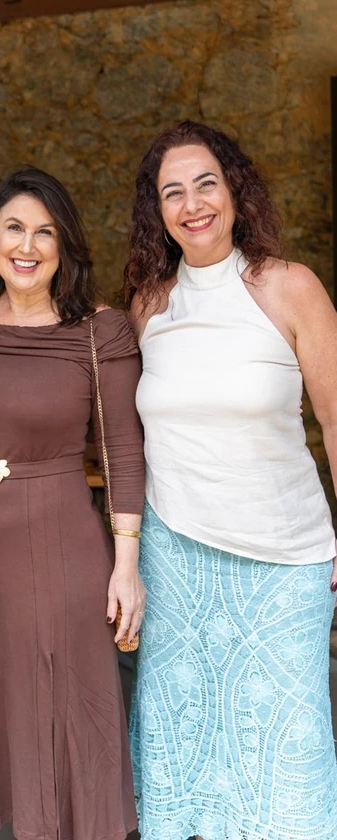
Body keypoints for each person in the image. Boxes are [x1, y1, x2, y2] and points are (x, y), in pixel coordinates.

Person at [124, 120, 337, 840]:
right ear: (157, 212)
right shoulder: (150, 306)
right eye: (172, 192)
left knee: (282, 744)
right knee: (186, 739)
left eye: (205, 183)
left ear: (235, 190)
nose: (192, 204)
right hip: (177, 559)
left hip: (283, 562)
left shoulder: (289, 288)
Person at [0, 166, 145, 840]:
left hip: (58, 542)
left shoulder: (98, 330)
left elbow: (124, 452)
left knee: (63, 709)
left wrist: (126, 564)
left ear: (65, 245)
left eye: (45, 232)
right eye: (15, 227)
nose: (28, 246)